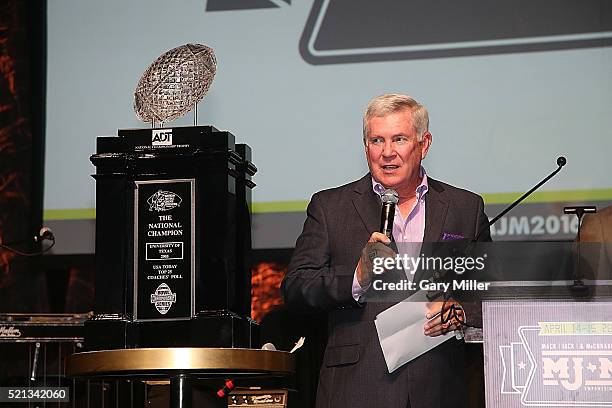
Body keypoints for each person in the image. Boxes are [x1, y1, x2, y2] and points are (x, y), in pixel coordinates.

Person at [281, 93, 491, 408]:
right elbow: (296, 288)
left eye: (400, 139)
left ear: (424, 144)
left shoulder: (465, 207)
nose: (387, 153)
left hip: (439, 389)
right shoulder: (330, 207)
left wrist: (461, 312)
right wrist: (356, 278)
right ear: (365, 147)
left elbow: (490, 292)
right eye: (377, 140)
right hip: (357, 388)